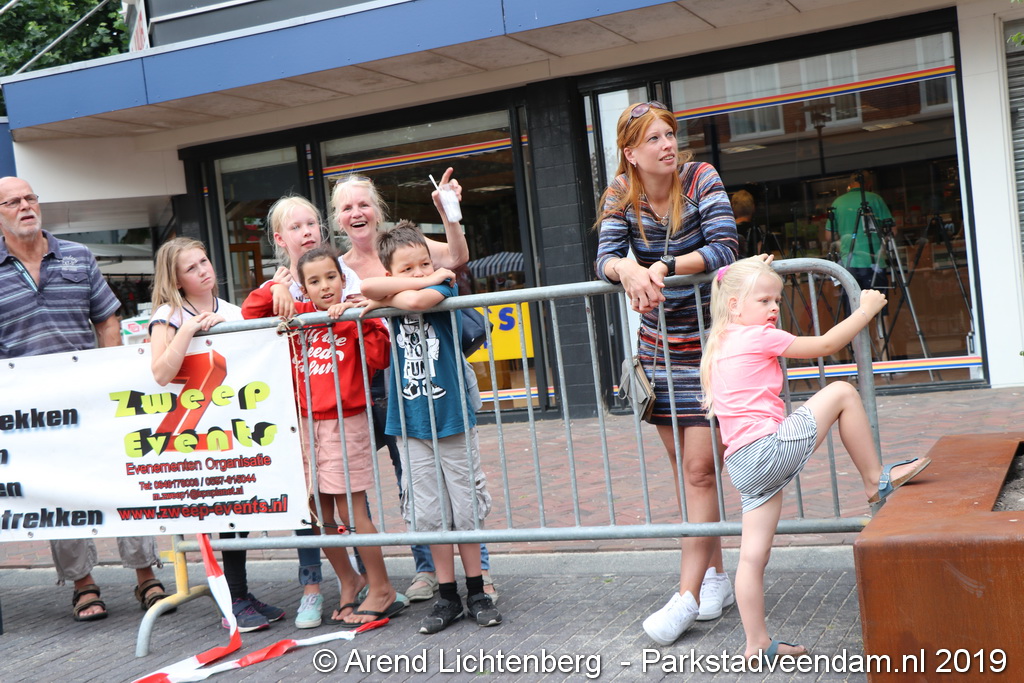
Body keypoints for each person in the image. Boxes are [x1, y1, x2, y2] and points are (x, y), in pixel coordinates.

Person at [699, 255, 931, 662]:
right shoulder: (757, 336)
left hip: (742, 465)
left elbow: (730, 283)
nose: (774, 308)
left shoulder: (719, 342)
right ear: (734, 304)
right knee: (842, 392)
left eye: (777, 300)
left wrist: (749, 268)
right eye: (764, 301)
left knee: (752, 557)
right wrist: (865, 310)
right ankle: (874, 478)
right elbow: (825, 346)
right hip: (766, 450)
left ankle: (756, 643)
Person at [593, 102, 738, 645]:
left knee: (700, 471)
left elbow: (724, 247)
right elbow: (604, 259)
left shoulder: (700, 178)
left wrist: (662, 266)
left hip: (710, 342)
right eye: (653, 138)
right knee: (689, 472)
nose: (667, 144)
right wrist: (626, 268)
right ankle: (715, 576)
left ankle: (685, 595)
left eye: (670, 134)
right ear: (631, 152)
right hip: (658, 349)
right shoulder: (620, 193)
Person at [0, 175, 169, 622]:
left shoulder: (78, 255)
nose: (25, 206)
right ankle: (83, 584)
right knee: (59, 492)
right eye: (13, 202)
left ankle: (146, 575)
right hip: (31, 409)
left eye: (30, 198)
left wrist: (106, 378)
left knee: (122, 480)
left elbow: (107, 320)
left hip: (92, 397)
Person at [328, 173, 498, 606]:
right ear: (337, 217)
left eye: (363, 204)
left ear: (377, 208)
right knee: (422, 495)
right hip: (395, 394)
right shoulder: (350, 265)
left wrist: (447, 220)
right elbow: (371, 287)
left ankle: (478, 581)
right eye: (346, 207)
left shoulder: (414, 249)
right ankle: (439, 582)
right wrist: (417, 283)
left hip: (447, 398)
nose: (356, 213)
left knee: (461, 497)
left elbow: (450, 263)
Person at [247, 244, 403, 626]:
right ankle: (350, 581)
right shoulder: (296, 315)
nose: (325, 286)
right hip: (303, 425)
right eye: (314, 281)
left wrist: (359, 316)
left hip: (345, 420)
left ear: (343, 277)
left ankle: (381, 587)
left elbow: (381, 357)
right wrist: (277, 287)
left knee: (352, 510)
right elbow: (251, 311)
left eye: (331, 277)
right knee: (317, 511)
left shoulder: (353, 312)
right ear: (304, 288)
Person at [360, 221, 501, 634]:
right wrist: (391, 291)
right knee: (431, 513)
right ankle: (447, 595)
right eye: (408, 268)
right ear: (390, 272)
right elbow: (368, 286)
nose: (422, 271)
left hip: (451, 416)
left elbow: (418, 300)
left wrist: (405, 288)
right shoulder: (399, 288)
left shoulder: (443, 286)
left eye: (425, 263)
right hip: (410, 424)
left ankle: (476, 590)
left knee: (465, 509)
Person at [148, 237, 285, 632]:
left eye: (204, 261)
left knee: (237, 509)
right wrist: (189, 329)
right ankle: (233, 600)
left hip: (230, 423)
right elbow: (160, 373)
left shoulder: (231, 310)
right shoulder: (168, 314)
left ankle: (238, 593)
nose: (203, 270)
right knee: (220, 511)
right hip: (191, 429)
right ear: (176, 279)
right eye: (191, 268)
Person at [830, 171, 893, 292]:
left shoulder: (837, 203)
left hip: (848, 261)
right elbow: (892, 230)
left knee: (853, 300)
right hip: (874, 260)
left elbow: (829, 236)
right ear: (869, 183)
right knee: (876, 300)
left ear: (850, 184)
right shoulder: (875, 199)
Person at [730, 189, 757, 258]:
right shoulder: (755, 229)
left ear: (733, 207)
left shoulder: (729, 229)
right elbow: (759, 251)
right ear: (753, 207)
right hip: (752, 263)